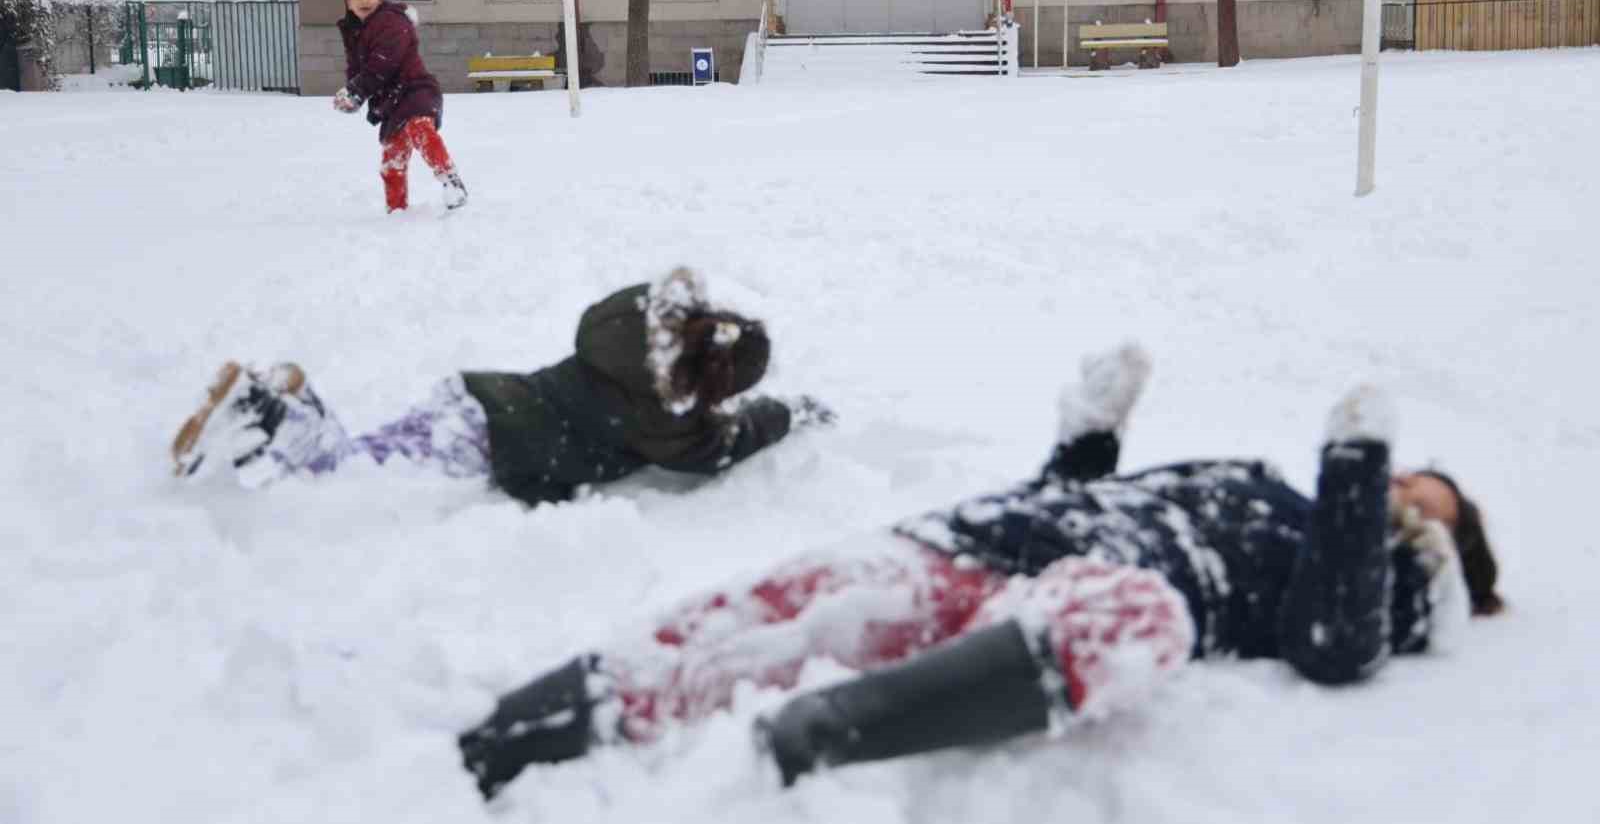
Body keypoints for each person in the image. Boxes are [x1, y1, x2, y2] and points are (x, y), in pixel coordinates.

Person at [456, 343, 1503, 798]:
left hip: (1077, 601)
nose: (1409, 487)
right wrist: (1091, 434)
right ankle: (505, 738)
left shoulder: (1390, 579)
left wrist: (1362, 473)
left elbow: (1333, 645)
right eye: (1407, 474)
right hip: (988, 538)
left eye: (1428, 500)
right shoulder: (1271, 483)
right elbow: (1085, 503)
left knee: (1140, 615)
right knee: (772, 608)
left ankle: (822, 730)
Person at [170, 268, 832, 503]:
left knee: (372, 455)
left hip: (474, 395)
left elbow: (641, 305)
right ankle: (259, 411)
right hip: (488, 442)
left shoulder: (623, 333)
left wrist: (686, 315)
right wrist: (787, 411)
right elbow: (727, 445)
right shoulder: (668, 422)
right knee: (348, 476)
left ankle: (298, 404)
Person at [335, 0, 468, 213]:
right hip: (390, 102)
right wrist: (351, 93)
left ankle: (452, 182)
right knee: (392, 160)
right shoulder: (355, 31)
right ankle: (396, 211)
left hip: (415, 89)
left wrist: (357, 90)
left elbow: (383, 62)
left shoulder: (391, 22)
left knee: (420, 129)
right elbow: (356, 67)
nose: (365, 1)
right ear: (348, 2)